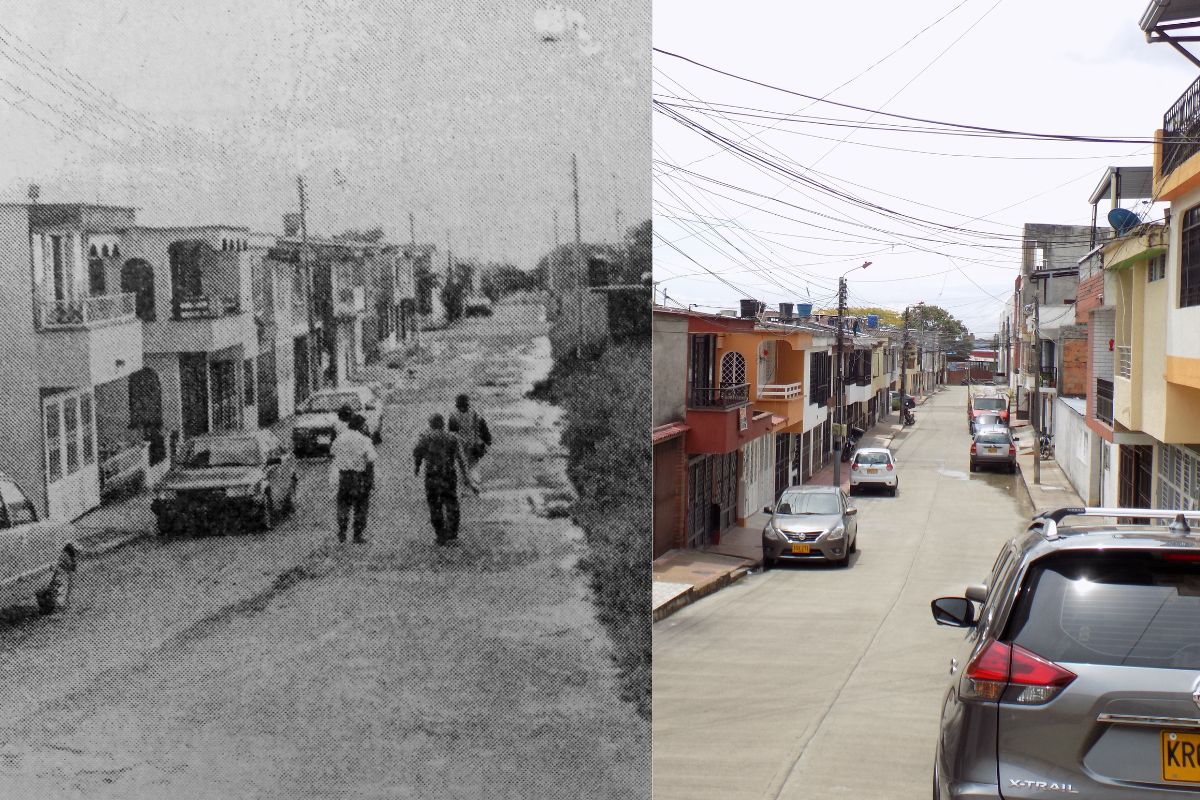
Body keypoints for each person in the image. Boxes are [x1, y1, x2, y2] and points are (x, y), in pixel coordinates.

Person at [413, 413, 476, 546]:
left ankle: (440, 534)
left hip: (432, 476)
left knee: (434, 505)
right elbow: (461, 458)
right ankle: (452, 534)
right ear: (443, 424)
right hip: (448, 475)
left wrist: (417, 467)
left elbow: (417, 453)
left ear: (430, 424)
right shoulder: (452, 438)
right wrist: (466, 477)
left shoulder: (425, 437)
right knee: (452, 503)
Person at [329, 405, 376, 543]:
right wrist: (370, 481)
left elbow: (332, 453)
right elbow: (370, 461)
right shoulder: (364, 440)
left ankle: (342, 533)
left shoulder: (340, 439)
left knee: (343, 504)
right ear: (360, 426)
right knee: (360, 506)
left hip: (344, 476)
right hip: (359, 477)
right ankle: (357, 535)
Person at [449, 394, 491, 487]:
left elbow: (452, 432)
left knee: (463, 466)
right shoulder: (474, 414)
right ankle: (474, 483)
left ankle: (467, 483)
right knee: (473, 465)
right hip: (473, 443)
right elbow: (483, 428)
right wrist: (487, 440)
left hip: (462, 445)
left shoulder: (453, 416)